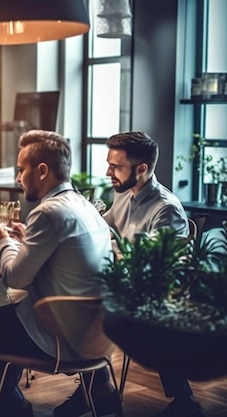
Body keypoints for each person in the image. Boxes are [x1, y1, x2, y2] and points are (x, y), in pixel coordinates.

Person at [0, 130, 115, 417]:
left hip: (59, 339)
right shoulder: (84, 207)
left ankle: (11, 405)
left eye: (20, 169)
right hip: (97, 336)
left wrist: (2, 239)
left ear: (41, 171)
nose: (17, 178)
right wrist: (26, 241)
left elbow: (15, 278)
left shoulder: (48, 212)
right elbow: (62, 258)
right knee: (1, 319)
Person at [56, 131, 200, 417]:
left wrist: (105, 244)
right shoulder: (122, 192)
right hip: (117, 285)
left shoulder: (166, 210)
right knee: (70, 302)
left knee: (85, 312)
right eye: (109, 164)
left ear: (142, 169)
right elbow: (105, 225)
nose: (108, 172)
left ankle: (183, 403)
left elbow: (154, 266)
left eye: (116, 166)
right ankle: (96, 388)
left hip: (156, 296)